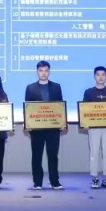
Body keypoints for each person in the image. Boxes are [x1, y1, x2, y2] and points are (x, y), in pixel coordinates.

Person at [24, 60, 64, 190]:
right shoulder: (30, 88)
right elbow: (28, 108)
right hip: (37, 128)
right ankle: (37, 182)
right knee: (37, 156)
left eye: (46, 70)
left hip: (53, 127)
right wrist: (27, 123)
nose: (43, 73)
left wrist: (63, 122)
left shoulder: (56, 87)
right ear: (37, 72)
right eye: (41, 71)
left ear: (49, 72)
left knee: (53, 155)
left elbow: (60, 106)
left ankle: (55, 182)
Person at [83, 66, 106, 189]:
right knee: (94, 153)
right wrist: (85, 122)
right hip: (93, 127)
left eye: (103, 74)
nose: (100, 77)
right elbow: (84, 110)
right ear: (94, 76)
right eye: (98, 74)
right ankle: (95, 178)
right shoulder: (88, 92)